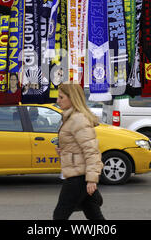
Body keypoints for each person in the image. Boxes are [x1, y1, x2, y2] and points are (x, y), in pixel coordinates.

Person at [53, 83, 105, 220]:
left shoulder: (78, 119)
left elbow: (92, 151)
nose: (57, 101)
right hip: (78, 174)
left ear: (72, 98)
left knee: (59, 216)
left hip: (78, 177)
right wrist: (64, 150)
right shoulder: (71, 117)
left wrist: (92, 180)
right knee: (94, 215)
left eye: (61, 97)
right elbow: (78, 147)